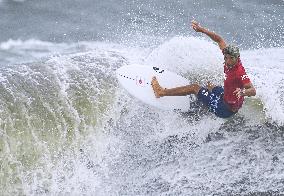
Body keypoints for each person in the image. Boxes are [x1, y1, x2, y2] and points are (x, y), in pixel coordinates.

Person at [151, 20, 256, 118]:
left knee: (195, 87)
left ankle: (161, 92)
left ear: (237, 58)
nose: (227, 61)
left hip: (225, 109)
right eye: (226, 57)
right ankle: (204, 103)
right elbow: (219, 40)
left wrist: (242, 93)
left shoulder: (239, 72)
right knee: (209, 85)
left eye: (231, 58)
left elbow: (252, 90)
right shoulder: (229, 56)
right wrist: (202, 30)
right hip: (225, 97)